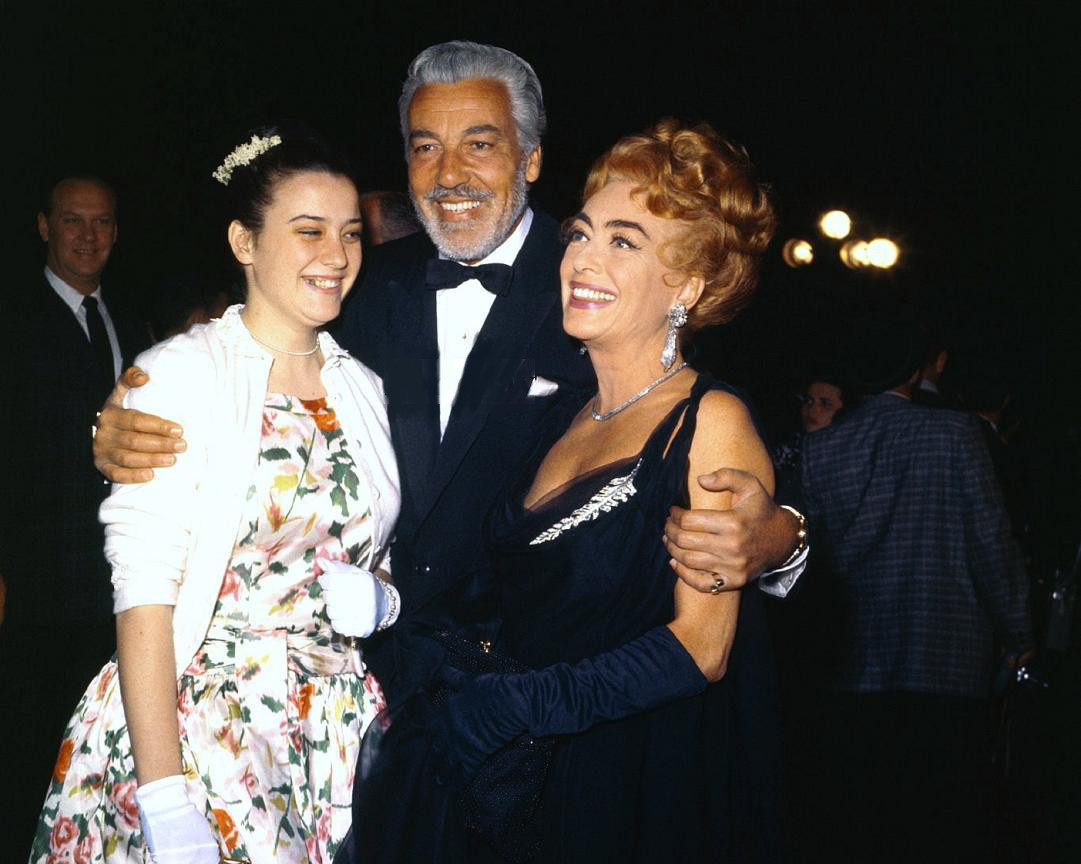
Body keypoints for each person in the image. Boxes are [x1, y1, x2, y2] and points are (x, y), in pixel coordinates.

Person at [90, 42, 808, 717]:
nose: (449, 173)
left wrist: (782, 539)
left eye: (480, 144)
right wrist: (131, 417)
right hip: (362, 689)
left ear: (529, 159)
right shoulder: (354, 290)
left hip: (531, 697)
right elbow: (250, 369)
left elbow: (719, 452)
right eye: (424, 146)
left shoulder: (600, 290)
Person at [349, 119, 786, 864]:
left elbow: (702, 650)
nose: (581, 257)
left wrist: (519, 707)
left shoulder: (707, 419)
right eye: (581, 234)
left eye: (623, 242)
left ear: (686, 283)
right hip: (511, 789)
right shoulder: (560, 412)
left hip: (624, 787)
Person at [29, 127, 401, 864]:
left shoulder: (364, 387)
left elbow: (381, 549)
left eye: (350, 233)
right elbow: (144, 593)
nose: (336, 257)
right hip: (201, 726)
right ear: (244, 242)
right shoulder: (178, 374)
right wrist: (164, 799)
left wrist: (382, 597)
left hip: (334, 733)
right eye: (308, 232)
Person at [799, 316, 1032, 863]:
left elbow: (815, 558)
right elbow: (990, 540)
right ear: (913, 369)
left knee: (863, 821)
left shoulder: (821, 449)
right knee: (939, 821)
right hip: (946, 658)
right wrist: (1019, 629)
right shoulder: (955, 433)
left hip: (853, 660)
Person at [2, 174, 149, 856]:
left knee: (100, 747)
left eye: (101, 223)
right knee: (31, 748)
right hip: (36, 585)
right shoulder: (14, 318)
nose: (87, 236)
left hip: (115, 584)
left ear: (117, 233)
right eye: (71, 221)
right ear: (44, 227)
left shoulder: (131, 316)